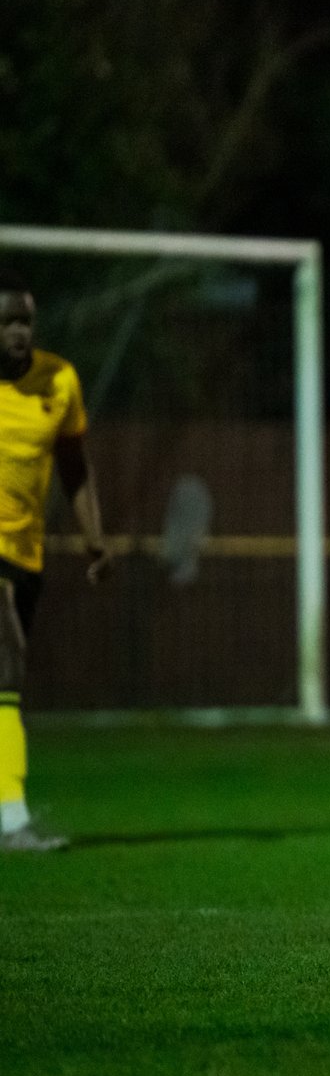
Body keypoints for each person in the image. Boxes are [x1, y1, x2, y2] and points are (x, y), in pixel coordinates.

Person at [0, 273, 113, 853]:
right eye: (6, 321)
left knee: (6, 684)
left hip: (26, 551)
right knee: (8, 659)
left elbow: (73, 464)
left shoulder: (59, 380)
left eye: (25, 321)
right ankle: (12, 818)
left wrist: (94, 538)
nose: (17, 331)